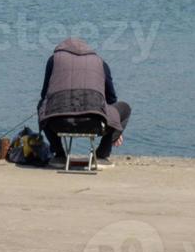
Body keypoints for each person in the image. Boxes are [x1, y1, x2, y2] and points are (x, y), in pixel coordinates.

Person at [38, 37, 131, 165]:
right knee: (124, 108)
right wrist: (116, 126)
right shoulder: (100, 62)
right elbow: (111, 99)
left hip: (58, 123)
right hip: (94, 123)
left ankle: (59, 155)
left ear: (61, 48)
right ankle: (101, 155)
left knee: (41, 105)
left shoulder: (54, 60)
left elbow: (44, 95)